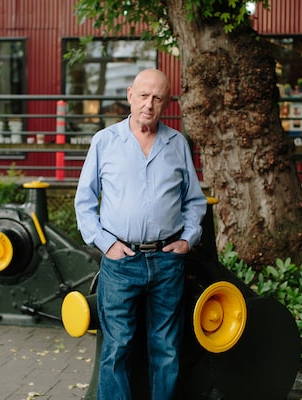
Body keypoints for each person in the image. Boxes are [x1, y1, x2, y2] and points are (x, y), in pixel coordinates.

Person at [74, 68, 207, 400]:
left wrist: (188, 239)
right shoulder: (104, 141)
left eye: (157, 98)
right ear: (130, 95)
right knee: (117, 348)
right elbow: (84, 202)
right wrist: (106, 244)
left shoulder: (177, 144)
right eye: (144, 95)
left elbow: (194, 201)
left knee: (167, 350)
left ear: (166, 103)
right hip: (122, 262)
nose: (149, 104)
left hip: (167, 261)